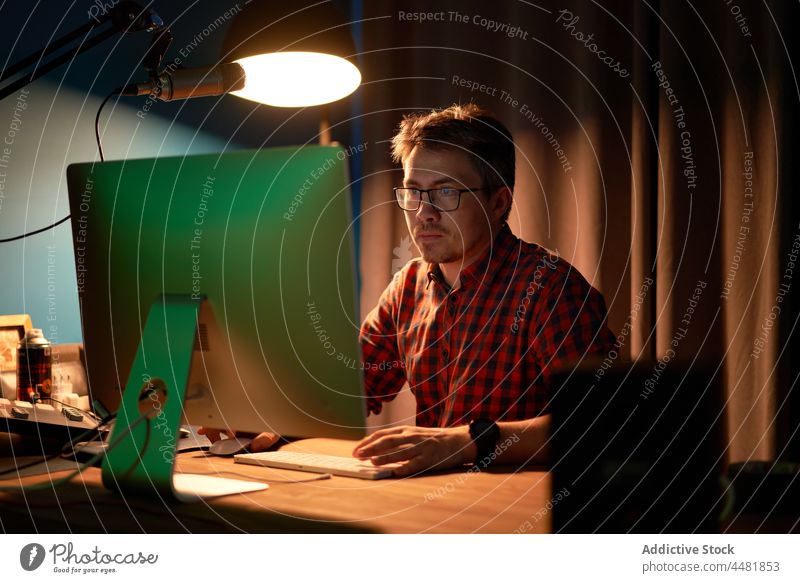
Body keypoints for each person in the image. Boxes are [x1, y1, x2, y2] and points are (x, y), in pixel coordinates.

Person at [205, 103, 616, 475]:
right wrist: (263, 412)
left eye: (446, 192)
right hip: (427, 503)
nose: (424, 213)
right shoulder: (409, 284)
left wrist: (466, 442)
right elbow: (348, 387)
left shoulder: (552, 290)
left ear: (498, 202)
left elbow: (600, 423)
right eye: (413, 192)